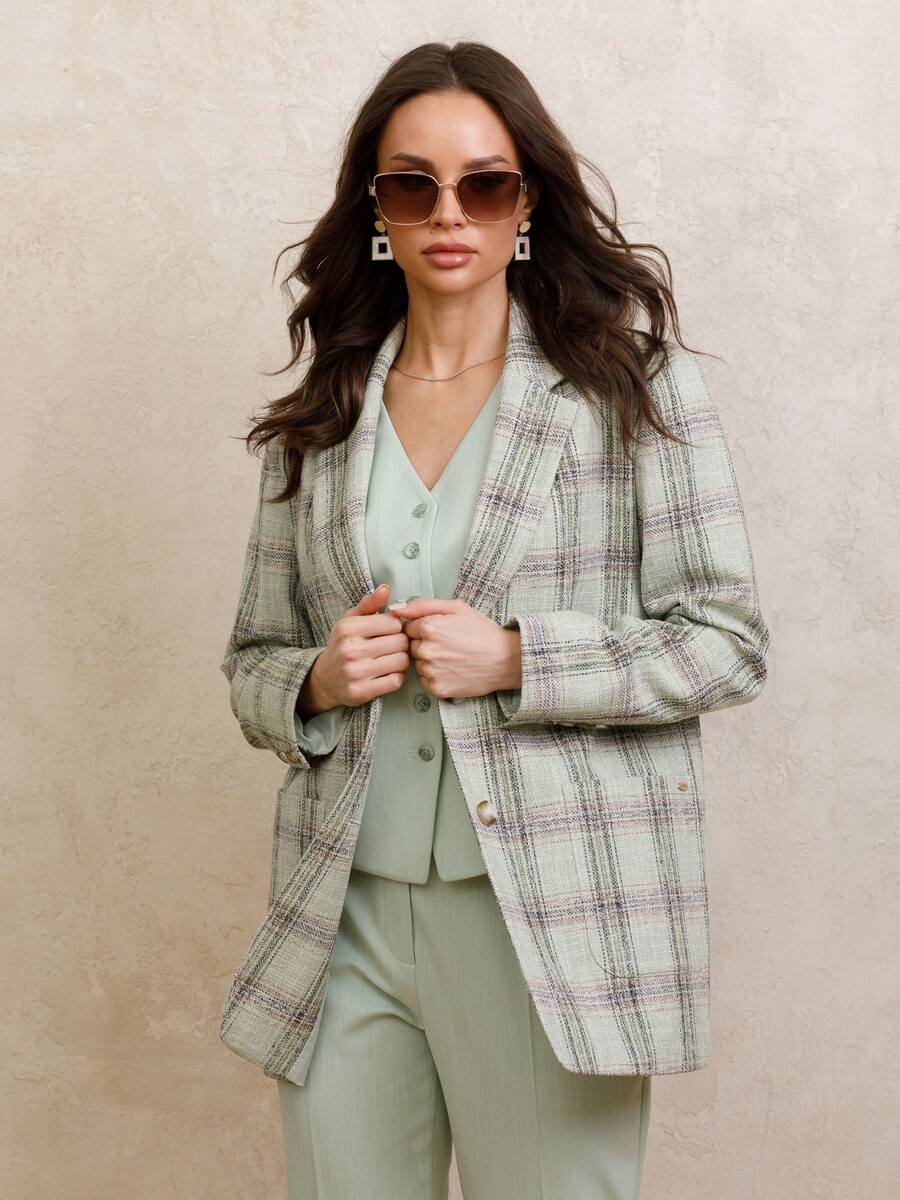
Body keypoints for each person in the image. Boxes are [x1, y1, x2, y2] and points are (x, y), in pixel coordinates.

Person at [218, 40, 770, 1200]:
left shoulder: (630, 391)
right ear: (377, 210)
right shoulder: (324, 413)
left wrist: (521, 658)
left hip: (551, 914)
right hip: (342, 912)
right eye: (412, 184)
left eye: (485, 183)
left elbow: (727, 642)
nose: (448, 213)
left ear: (528, 203)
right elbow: (253, 661)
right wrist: (318, 682)